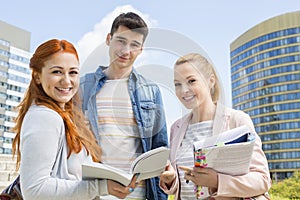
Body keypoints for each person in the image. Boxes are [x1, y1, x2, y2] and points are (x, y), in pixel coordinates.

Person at [12, 39, 137, 200]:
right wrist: (101, 187)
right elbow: (35, 190)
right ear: (37, 76)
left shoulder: (65, 116)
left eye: (73, 72)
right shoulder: (44, 117)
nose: (66, 81)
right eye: (57, 72)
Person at [80, 12, 168, 200]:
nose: (126, 50)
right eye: (121, 41)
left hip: (138, 194)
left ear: (141, 49)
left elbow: (159, 151)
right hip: (94, 193)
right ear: (108, 39)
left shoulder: (150, 91)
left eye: (134, 45)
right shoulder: (83, 86)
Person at [159, 53, 272, 199]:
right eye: (177, 84)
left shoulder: (237, 121)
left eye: (191, 81)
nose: (183, 90)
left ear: (210, 81)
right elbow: (184, 186)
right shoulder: (177, 128)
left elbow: (262, 180)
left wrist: (218, 181)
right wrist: (170, 180)